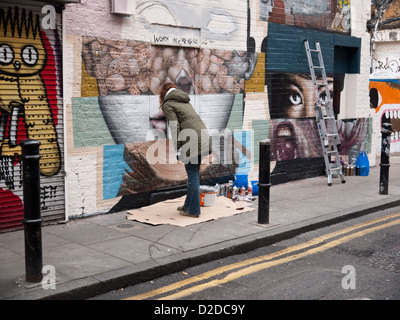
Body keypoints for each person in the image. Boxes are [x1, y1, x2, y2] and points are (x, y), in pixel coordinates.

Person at [159, 83, 212, 218]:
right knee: (193, 172)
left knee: (192, 173)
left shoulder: (168, 104)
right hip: (202, 135)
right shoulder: (184, 100)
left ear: (163, 94)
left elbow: (174, 127)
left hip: (192, 140)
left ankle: (193, 210)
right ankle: (187, 205)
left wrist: (177, 149)